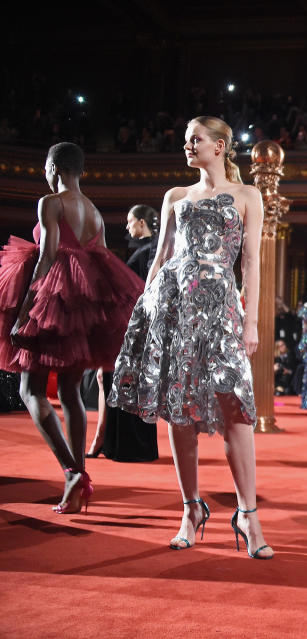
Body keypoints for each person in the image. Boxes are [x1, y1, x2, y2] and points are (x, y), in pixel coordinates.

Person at [109, 116, 274, 559]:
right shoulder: (175, 197)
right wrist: (143, 312)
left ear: (219, 146)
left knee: (235, 407)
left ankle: (248, 514)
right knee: (178, 409)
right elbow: (162, 256)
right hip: (172, 307)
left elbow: (252, 265)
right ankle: (191, 509)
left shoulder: (247, 196)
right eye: (185, 140)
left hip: (221, 311)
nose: (187, 145)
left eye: (195, 139)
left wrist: (251, 322)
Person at [0, 142, 142, 513]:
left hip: (51, 302)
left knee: (30, 390)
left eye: (46, 169)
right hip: (82, 309)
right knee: (71, 392)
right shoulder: (94, 212)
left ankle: (72, 472)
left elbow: (47, 254)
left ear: (53, 167)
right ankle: (77, 481)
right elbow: (103, 262)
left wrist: (26, 311)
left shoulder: (51, 202)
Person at [86, 204, 162, 462]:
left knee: (117, 379)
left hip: (131, 326)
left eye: (130, 221)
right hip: (132, 325)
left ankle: (115, 442)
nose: (127, 226)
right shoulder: (148, 250)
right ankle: (107, 440)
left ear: (142, 223)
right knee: (110, 378)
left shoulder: (149, 251)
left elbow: (141, 292)